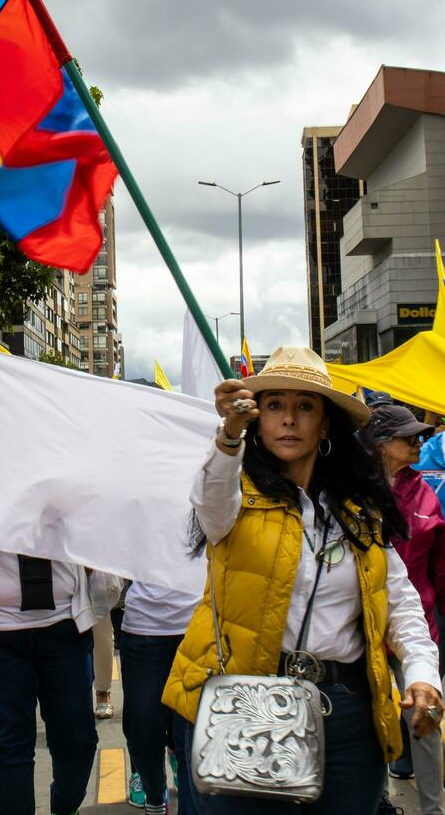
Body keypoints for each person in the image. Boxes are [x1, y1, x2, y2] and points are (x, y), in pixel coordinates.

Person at [162, 346, 444, 815]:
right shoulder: (233, 497)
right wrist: (229, 435)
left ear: (326, 423)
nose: (289, 419)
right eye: (274, 406)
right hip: (249, 711)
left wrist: (421, 675)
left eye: (305, 406)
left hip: (350, 719)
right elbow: (210, 500)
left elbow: (400, 602)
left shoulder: (361, 510)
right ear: (258, 420)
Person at [0, 484, 103, 814]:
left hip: (63, 630)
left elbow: (100, 535)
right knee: (8, 749)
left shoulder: (67, 480)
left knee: (78, 741)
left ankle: (64, 804)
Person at [365, 405, 445, 815]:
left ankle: (433, 809)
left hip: (419, 625)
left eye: (420, 435)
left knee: (427, 718)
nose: (419, 442)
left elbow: (439, 564)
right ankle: (375, 801)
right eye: (408, 437)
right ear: (381, 444)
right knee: (371, 719)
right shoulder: (354, 488)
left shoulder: (425, 492)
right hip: (365, 629)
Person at [121, 583, 203, 815]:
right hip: (144, 627)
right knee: (142, 735)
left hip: (200, 624)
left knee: (193, 742)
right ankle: (155, 795)